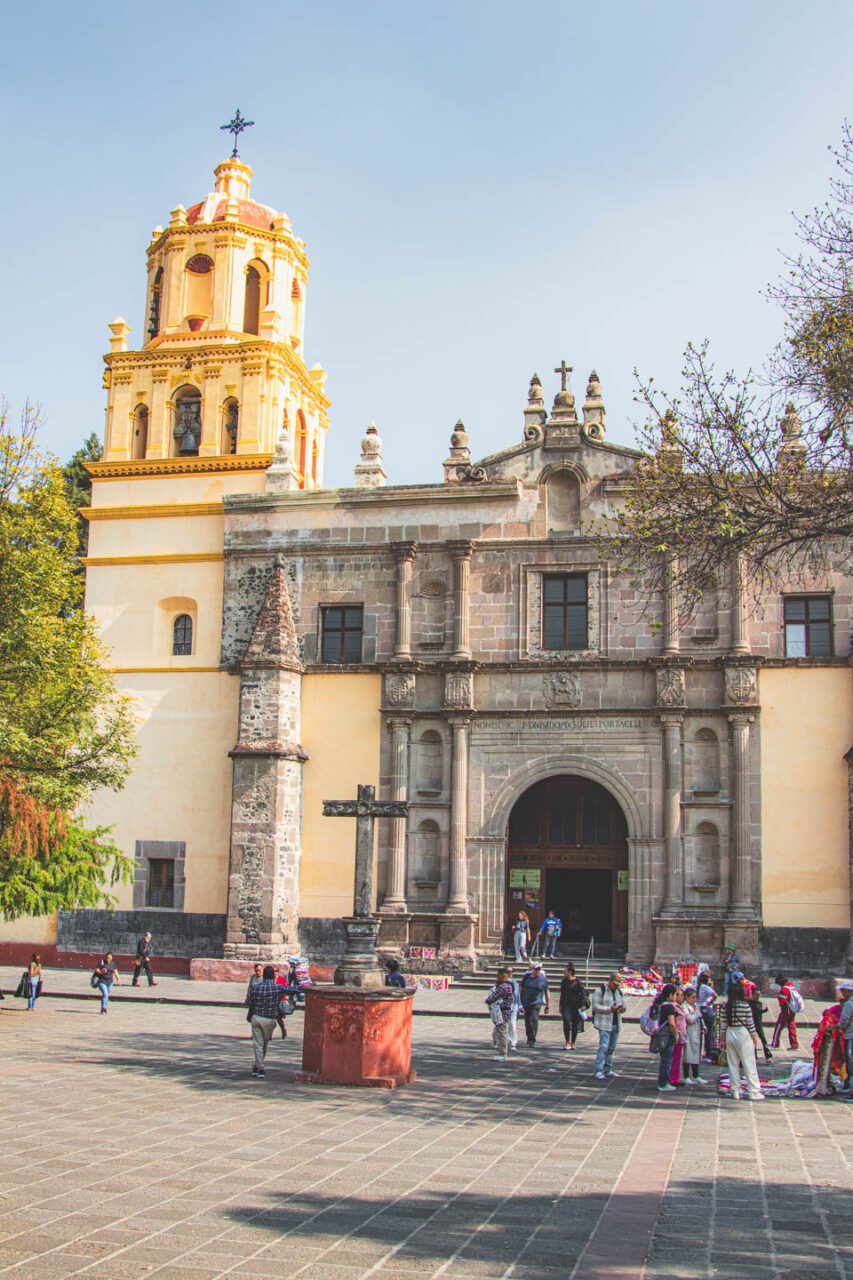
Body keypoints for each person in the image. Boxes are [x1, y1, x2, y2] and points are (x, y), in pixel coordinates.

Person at [724, 978, 764, 1101]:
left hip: (730, 1032)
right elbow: (750, 1023)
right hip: (743, 1033)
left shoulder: (727, 1006)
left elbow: (723, 1023)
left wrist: (722, 1038)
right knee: (748, 1063)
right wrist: (754, 1036)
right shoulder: (745, 1006)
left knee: (733, 1064)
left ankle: (735, 1090)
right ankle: (754, 1090)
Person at [247, 964, 283, 1078]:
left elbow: (249, 1001)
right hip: (269, 1020)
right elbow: (292, 990)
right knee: (263, 1044)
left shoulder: (256, 988)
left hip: (256, 1018)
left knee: (258, 1044)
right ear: (273, 976)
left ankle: (257, 1066)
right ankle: (260, 1068)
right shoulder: (277, 987)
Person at [591, 972, 625, 1081]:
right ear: (610, 981)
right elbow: (595, 1006)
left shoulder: (619, 992)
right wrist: (609, 1009)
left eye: (618, 984)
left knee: (611, 1047)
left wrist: (622, 1008)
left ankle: (608, 1068)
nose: (616, 986)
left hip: (616, 1023)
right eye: (614, 983)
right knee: (603, 1047)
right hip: (604, 1023)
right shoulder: (600, 990)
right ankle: (599, 1070)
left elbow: (624, 1005)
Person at [652, 983, 680, 1093]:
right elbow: (672, 1023)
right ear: (670, 995)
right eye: (675, 994)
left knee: (665, 1059)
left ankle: (663, 1082)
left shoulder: (661, 1004)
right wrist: (676, 1034)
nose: (676, 997)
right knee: (667, 1060)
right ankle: (663, 1083)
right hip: (667, 1035)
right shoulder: (669, 1007)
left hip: (661, 1034)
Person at [485, 967, 515, 1062]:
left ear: (502, 976)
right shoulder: (510, 985)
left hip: (501, 1012)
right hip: (506, 1011)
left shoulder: (503, 986)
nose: (496, 978)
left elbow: (492, 998)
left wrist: (487, 999)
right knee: (502, 1031)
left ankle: (503, 1053)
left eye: (498, 976)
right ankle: (502, 1052)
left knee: (502, 1033)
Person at [520, 960, 550, 1047]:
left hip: (537, 1002)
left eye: (539, 969)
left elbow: (547, 992)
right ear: (532, 969)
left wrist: (547, 1005)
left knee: (534, 1019)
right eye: (536, 969)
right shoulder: (526, 977)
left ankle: (532, 1039)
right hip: (526, 1002)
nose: (537, 971)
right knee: (527, 1021)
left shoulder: (543, 979)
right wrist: (519, 1001)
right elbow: (521, 989)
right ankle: (529, 1036)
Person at [743, 978, 773, 1061]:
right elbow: (754, 1013)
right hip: (751, 1024)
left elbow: (758, 1012)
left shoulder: (759, 1003)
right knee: (753, 1041)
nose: (758, 997)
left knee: (764, 1040)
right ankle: (754, 1056)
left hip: (759, 1024)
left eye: (759, 995)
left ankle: (768, 1056)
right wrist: (763, 1011)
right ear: (752, 995)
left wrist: (762, 1011)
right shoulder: (749, 1004)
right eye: (756, 995)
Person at [559, 963, 587, 1051]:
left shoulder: (578, 981)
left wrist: (583, 1004)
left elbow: (582, 993)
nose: (564, 972)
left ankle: (573, 1042)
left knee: (575, 1024)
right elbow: (562, 994)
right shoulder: (564, 981)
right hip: (566, 1005)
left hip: (576, 1005)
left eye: (565, 971)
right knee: (566, 1021)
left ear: (570, 972)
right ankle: (567, 1041)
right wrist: (560, 1005)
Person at [681, 986, 705, 1084]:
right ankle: (686, 1075)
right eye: (692, 997)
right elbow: (689, 1019)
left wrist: (704, 1026)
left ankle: (696, 1074)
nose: (694, 999)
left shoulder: (695, 1005)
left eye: (695, 997)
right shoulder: (684, 1006)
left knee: (696, 1052)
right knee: (688, 1053)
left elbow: (700, 1017)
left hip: (697, 1030)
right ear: (686, 997)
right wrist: (697, 1014)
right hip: (689, 1031)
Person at [770, 973, 800, 1050]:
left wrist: (779, 996)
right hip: (792, 1010)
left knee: (779, 1026)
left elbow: (783, 1000)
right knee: (792, 1026)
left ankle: (774, 1043)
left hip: (786, 1011)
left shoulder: (784, 989)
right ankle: (795, 1044)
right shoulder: (790, 985)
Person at [696, 969, 718, 1060]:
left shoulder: (696, 987)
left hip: (698, 1009)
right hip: (707, 1009)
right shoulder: (706, 988)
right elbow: (715, 995)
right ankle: (708, 1053)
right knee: (709, 1032)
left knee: (699, 1032)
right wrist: (710, 1002)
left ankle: (697, 1053)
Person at [838, 980, 853, 1098]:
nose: (841, 992)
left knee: (850, 1061)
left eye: (843, 990)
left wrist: (832, 1027)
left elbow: (843, 1022)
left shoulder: (849, 1004)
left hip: (850, 1035)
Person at [505, 966, 522, 1052]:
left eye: (511, 971)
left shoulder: (515, 983)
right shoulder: (502, 982)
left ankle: (513, 1043)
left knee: (512, 1024)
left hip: (513, 1006)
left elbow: (518, 995)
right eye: (508, 971)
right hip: (503, 1006)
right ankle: (498, 1040)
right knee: (501, 1025)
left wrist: (520, 1006)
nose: (510, 973)